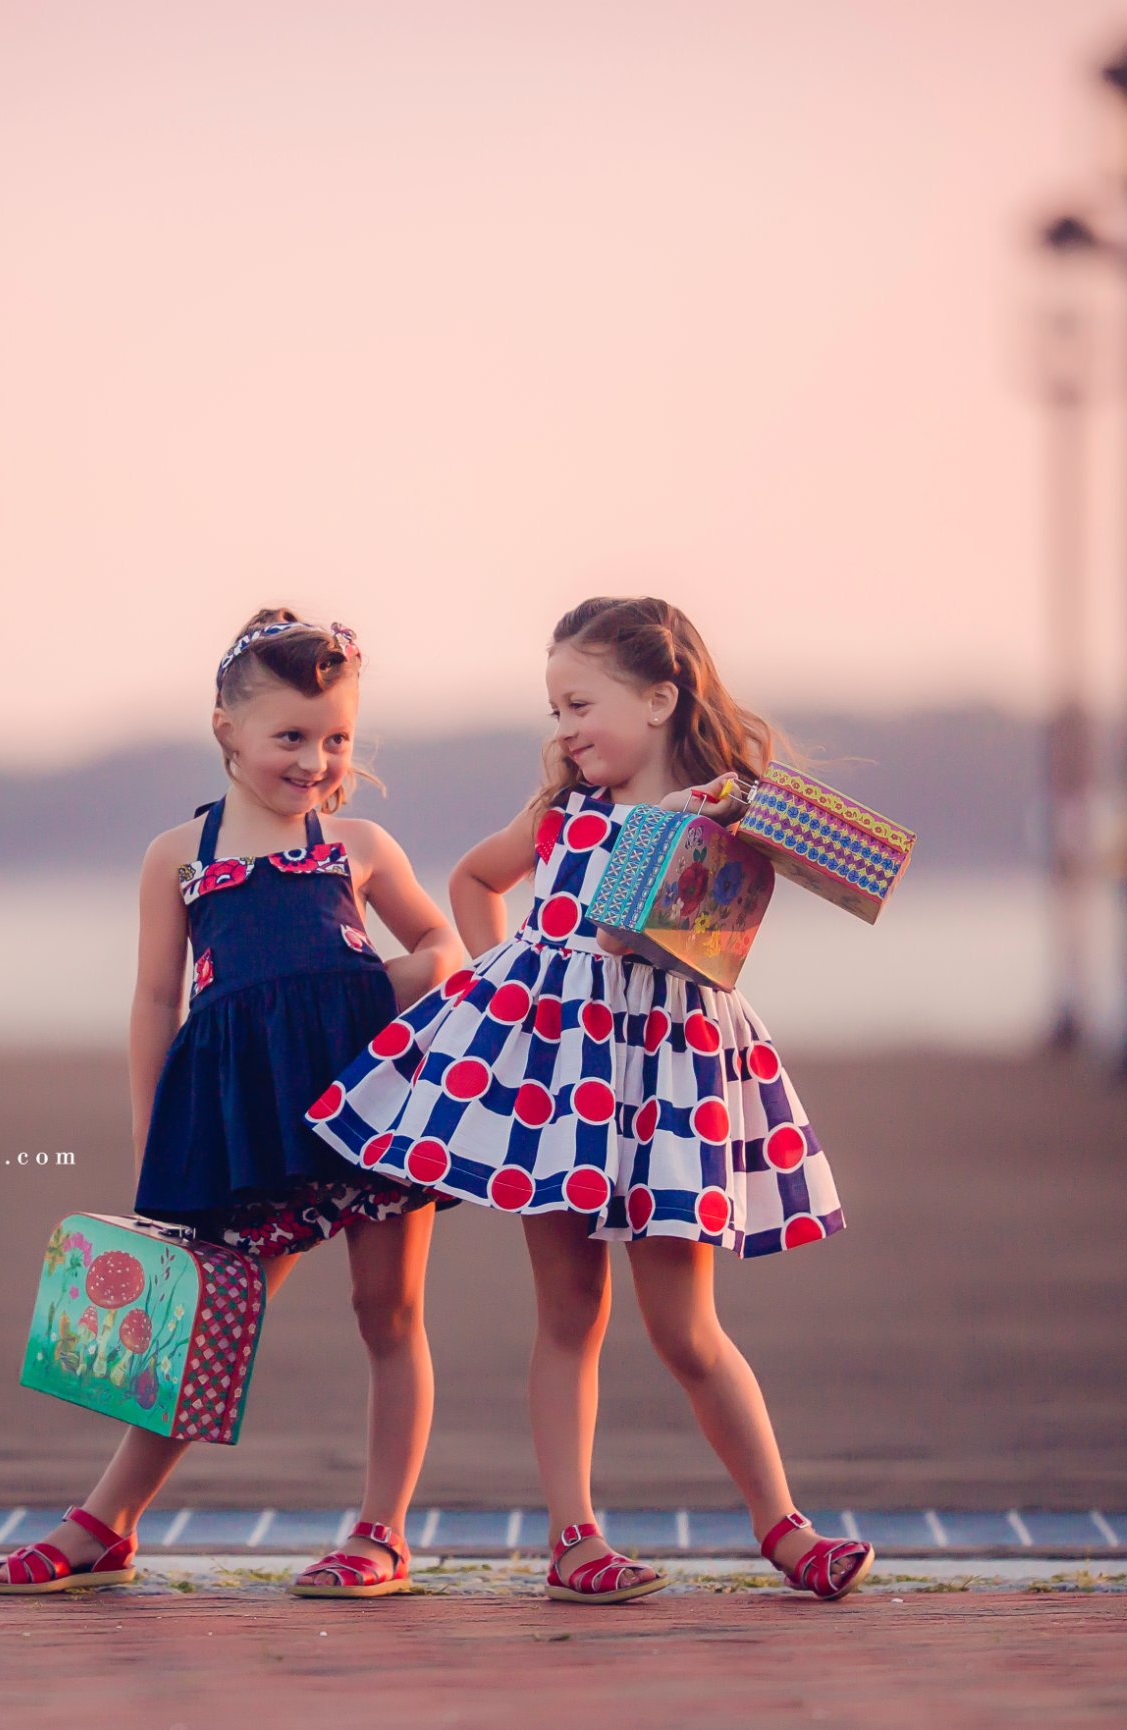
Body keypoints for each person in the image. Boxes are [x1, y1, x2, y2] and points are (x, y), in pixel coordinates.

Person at [305, 596, 873, 1604]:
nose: (563, 726)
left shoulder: (731, 809)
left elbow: (825, 879)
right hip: (560, 1087)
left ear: (660, 696)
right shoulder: (562, 812)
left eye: (580, 701)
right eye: (554, 706)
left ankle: (785, 1527)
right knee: (569, 1311)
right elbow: (477, 879)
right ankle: (576, 1538)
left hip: (668, 1081)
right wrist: (509, 987)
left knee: (685, 1328)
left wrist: (733, 817)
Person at [0, 609, 464, 1599]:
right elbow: (157, 996)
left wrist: (396, 977)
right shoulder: (180, 854)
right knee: (200, 1313)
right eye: (291, 735)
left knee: (391, 1312)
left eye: (335, 738)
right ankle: (105, 1520)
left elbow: (445, 950)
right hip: (250, 1117)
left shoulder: (356, 843)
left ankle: (380, 1531)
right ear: (227, 732)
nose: (315, 760)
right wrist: (152, 1126)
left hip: (372, 1106)